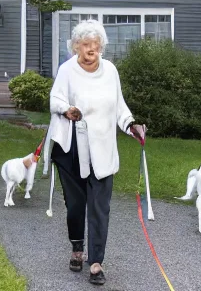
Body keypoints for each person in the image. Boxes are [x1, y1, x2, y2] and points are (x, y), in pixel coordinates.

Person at [44, 19, 146, 286]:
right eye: (85, 44)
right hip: (72, 149)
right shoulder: (67, 70)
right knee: (76, 206)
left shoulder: (110, 71)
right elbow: (55, 99)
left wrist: (131, 124)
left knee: (100, 207)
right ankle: (77, 249)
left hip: (102, 148)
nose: (91, 49)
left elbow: (119, 106)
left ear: (101, 46)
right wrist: (67, 110)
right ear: (76, 46)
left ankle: (96, 262)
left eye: (95, 44)